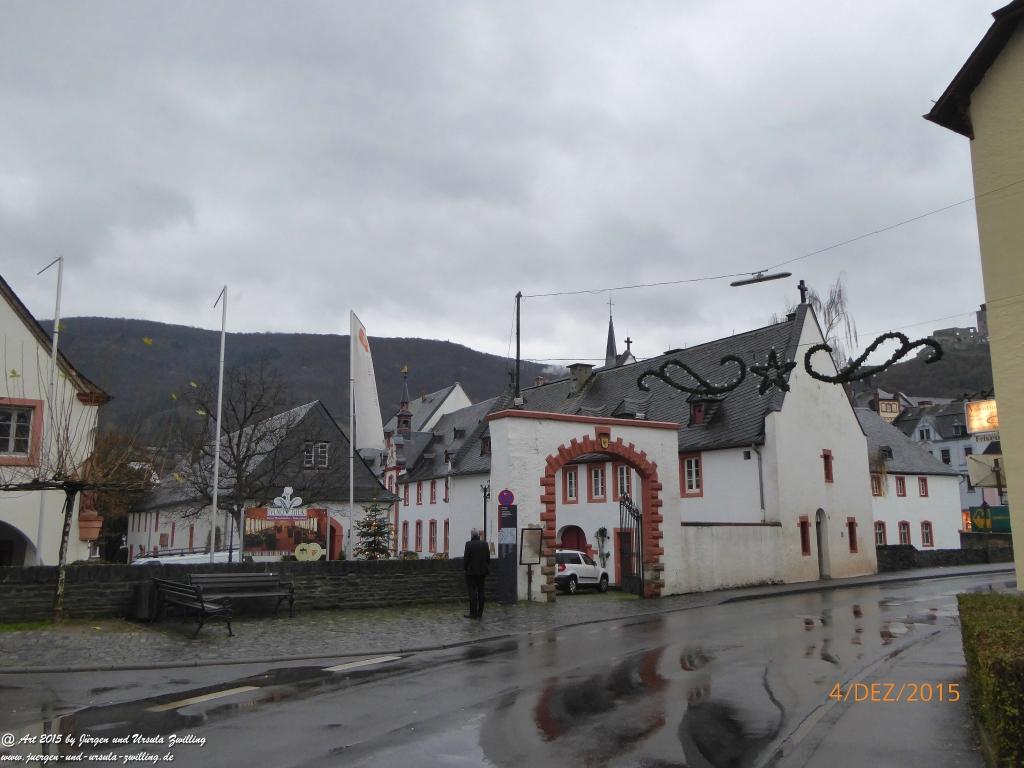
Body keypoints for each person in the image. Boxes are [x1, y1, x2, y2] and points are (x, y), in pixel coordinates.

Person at [463, 529, 490, 619]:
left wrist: (465, 568)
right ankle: (480, 612)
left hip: (471, 572)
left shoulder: (469, 544)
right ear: (478, 535)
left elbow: (466, 558)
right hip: (482, 572)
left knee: (472, 593)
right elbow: (488, 558)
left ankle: (473, 613)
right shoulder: (485, 544)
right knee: (481, 592)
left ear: (471, 535)